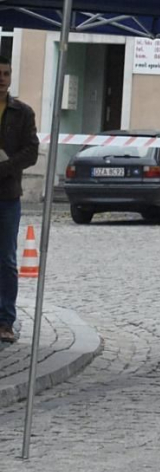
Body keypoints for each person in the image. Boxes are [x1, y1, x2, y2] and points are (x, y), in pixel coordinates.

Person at [0, 55, 39, 344]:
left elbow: (31, 152)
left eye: (7, 73)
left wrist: (5, 167)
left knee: (6, 259)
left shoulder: (22, 112)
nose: (2, 78)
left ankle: (5, 321)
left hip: (7, 194)